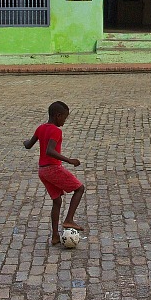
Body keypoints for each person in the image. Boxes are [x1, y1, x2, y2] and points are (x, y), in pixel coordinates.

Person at [23, 100, 86, 246]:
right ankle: (69, 219)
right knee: (79, 188)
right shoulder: (56, 131)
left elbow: (28, 145)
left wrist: (25, 142)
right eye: (64, 117)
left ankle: (55, 236)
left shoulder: (40, 128)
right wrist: (69, 160)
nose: (65, 121)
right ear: (58, 116)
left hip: (42, 171)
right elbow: (49, 151)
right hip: (52, 168)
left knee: (57, 201)